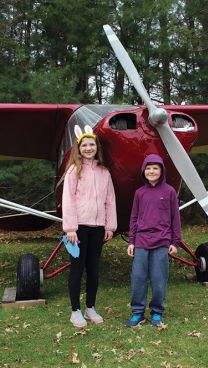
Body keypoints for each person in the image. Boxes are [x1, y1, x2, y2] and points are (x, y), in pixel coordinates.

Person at [62, 126, 117, 328]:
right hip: (79, 228)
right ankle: (75, 311)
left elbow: (109, 200)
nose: (88, 148)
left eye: (91, 144)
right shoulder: (73, 170)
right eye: (84, 145)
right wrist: (70, 228)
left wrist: (110, 225)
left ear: (96, 147)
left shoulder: (104, 172)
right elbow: (68, 199)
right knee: (77, 269)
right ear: (79, 148)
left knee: (93, 270)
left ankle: (90, 307)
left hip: (98, 227)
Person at [126, 154, 181, 327]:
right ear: (144, 171)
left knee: (158, 279)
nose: (151, 171)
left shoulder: (169, 191)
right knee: (138, 278)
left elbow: (175, 218)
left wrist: (175, 242)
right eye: (148, 168)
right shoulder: (139, 193)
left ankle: (157, 312)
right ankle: (137, 313)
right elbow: (134, 218)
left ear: (161, 170)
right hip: (141, 241)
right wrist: (131, 241)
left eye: (155, 168)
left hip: (162, 242)